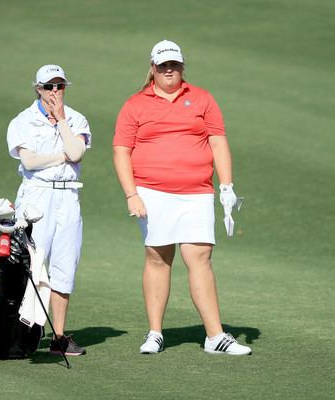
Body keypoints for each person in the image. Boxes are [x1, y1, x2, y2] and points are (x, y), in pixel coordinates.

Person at [113, 40, 252, 356]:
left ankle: (215, 336)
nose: (169, 70)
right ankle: (155, 333)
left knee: (200, 257)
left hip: (196, 191)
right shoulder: (135, 104)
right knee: (158, 258)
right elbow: (122, 151)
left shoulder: (202, 99)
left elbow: (217, 143)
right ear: (152, 68)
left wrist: (227, 187)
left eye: (174, 64)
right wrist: (131, 194)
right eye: (163, 66)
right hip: (152, 191)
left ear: (182, 66)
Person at [7, 64, 92, 356]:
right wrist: (61, 156)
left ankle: (58, 337)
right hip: (36, 197)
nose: (54, 92)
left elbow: (77, 153)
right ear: (38, 89)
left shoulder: (77, 119)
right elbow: (29, 162)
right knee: (30, 264)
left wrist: (62, 121)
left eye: (60, 86)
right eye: (48, 87)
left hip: (68, 196)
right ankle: (19, 332)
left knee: (65, 266)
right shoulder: (23, 120)